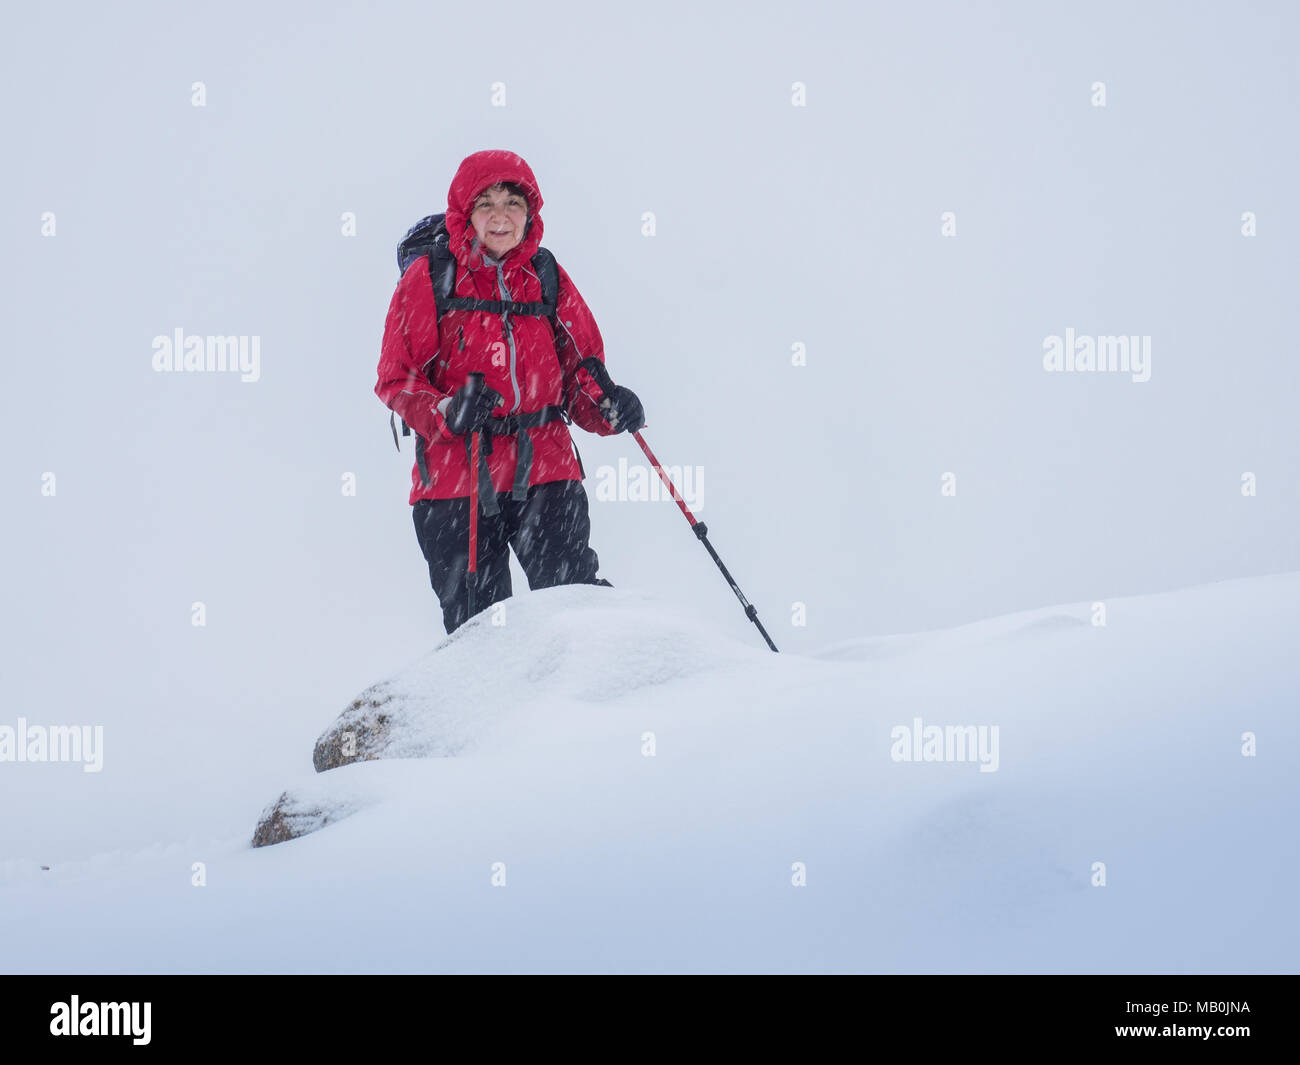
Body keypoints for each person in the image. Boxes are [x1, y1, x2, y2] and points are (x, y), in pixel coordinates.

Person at [376, 149, 645, 634]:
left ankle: (593, 710)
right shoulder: (429, 279)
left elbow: (582, 374)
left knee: (578, 610)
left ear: (531, 212)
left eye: (513, 203)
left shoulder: (545, 276)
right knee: (483, 636)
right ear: (464, 212)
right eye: (486, 203)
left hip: (546, 469)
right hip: (458, 482)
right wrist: (446, 409)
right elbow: (396, 378)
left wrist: (610, 409)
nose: (501, 216)